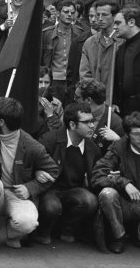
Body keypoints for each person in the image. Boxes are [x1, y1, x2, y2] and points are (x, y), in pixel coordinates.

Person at [0, 97, 58, 255]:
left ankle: (13, 234)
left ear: (2, 122)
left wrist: (30, 187)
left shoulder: (32, 146)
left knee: (28, 223)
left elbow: (53, 170)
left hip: (17, 194)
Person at [35, 102, 101, 245]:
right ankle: (43, 232)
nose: (92, 125)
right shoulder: (49, 140)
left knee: (90, 201)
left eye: (92, 121)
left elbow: (95, 176)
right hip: (50, 188)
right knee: (52, 206)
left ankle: (66, 229)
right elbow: (33, 164)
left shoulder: (93, 149)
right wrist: (37, 172)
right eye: (86, 122)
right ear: (72, 125)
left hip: (73, 189)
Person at [92, 111, 140, 253]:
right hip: (125, 203)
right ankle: (118, 236)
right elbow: (97, 176)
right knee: (107, 194)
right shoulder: (118, 147)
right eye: (136, 134)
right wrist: (123, 183)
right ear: (127, 135)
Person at [41, 0, 84, 102]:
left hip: (73, 80)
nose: (69, 15)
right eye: (66, 12)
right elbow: (41, 59)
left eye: (72, 12)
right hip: (53, 80)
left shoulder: (80, 32)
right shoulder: (47, 33)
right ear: (58, 13)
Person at [74, 78, 124, 155]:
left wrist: (117, 141)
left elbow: (123, 155)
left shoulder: (115, 124)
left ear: (88, 100)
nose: (74, 99)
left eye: (77, 97)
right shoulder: (75, 113)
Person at [113, 7, 140, 116]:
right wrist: (114, 101)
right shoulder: (121, 48)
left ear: (131, 22)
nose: (114, 27)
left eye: (118, 23)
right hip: (124, 106)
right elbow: (116, 77)